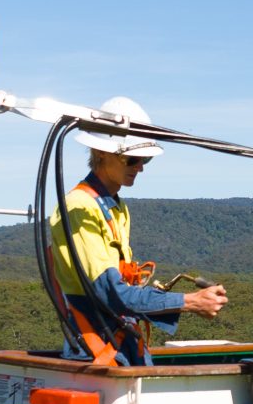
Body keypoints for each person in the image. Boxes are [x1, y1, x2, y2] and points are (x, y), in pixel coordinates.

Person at [45, 96, 229, 365]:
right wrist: (189, 302)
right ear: (101, 154)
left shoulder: (116, 208)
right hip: (97, 353)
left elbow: (120, 291)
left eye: (145, 160)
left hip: (120, 345)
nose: (140, 167)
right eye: (132, 159)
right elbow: (111, 294)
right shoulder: (79, 207)